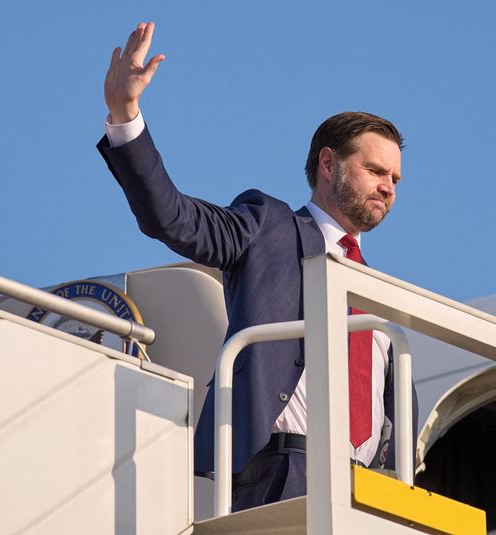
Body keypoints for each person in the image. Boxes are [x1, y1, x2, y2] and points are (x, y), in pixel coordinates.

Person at [97, 22, 417, 512]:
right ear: (328, 165)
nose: (388, 186)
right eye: (375, 170)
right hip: (285, 469)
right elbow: (173, 217)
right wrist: (126, 116)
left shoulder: (379, 292)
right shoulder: (269, 226)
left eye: (395, 178)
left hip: (367, 493)